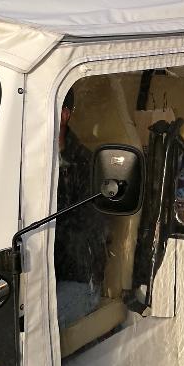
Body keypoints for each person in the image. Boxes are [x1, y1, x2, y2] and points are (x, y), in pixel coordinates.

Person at [55, 88, 109, 328]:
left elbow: (81, 233)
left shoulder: (86, 166)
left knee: (30, 325)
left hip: (76, 280)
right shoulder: (21, 158)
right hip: (36, 278)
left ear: (64, 115)